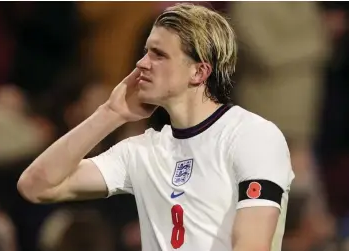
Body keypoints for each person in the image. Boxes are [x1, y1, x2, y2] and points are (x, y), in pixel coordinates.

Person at [18, 3, 294, 251]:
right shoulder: (141, 151)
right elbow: (36, 186)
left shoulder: (252, 135)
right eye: (145, 51)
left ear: (199, 72)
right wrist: (110, 113)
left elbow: (252, 244)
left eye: (158, 54)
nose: (141, 64)